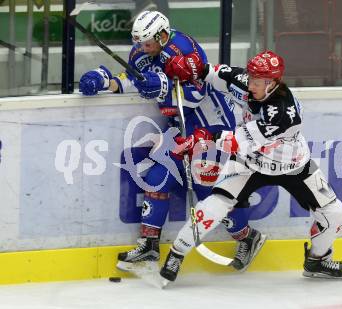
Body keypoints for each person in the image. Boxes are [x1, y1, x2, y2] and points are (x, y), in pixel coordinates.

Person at [78, 11, 266, 273]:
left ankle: (247, 236)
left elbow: (197, 93)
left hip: (209, 126)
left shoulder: (186, 49)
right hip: (179, 128)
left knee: (209, 194)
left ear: (162, 35)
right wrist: (105, 82)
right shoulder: (141, 53)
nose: (142, 48)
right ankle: (150, 244)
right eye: (140, 43)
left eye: (147, 43)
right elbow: (132, 79)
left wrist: (164, 87)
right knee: (158, 176)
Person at [159, 50, 342, 285]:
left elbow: (237, 141)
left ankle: (317, 261)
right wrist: (189, 66)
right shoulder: (249, 83)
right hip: (249, 162)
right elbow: (212, 72)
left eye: (257, 82)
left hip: (292, 164)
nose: (250, 85)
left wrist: (203, 137)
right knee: (213, 206)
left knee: (334, 214)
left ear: (272, 83)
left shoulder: (282, 112)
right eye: (250, 78)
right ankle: (177, 254)